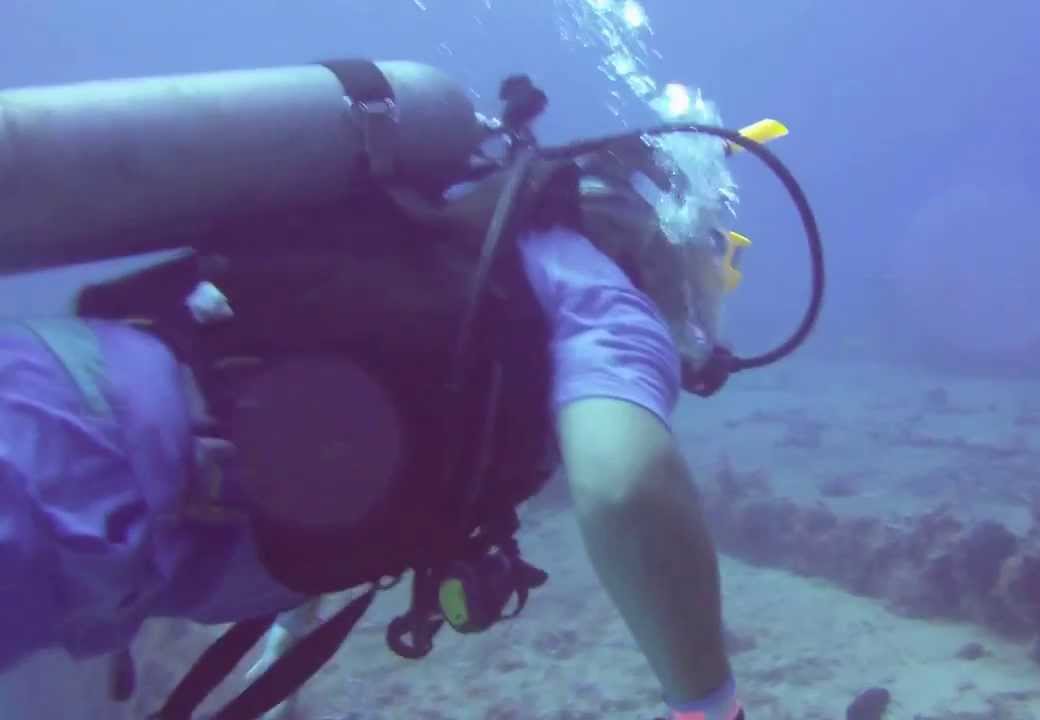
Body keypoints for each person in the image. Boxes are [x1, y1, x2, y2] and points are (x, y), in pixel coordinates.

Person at [0, 60, 818, 720]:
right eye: (720, 267)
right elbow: (626, 485)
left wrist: (288, 625)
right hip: (79, 483)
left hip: (72, 421)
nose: (709, 305)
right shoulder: (607, 299)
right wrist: (711, 707)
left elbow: (318, 389)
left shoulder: (466, 234)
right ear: (668, 240)